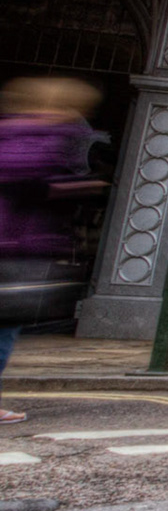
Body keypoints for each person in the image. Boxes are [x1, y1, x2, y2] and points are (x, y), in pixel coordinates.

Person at [0, 78, 100, 426]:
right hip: (14, 245)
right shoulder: (39, 134)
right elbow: (28, 180)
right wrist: (73, 186)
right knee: (5, 325)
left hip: (15, 243)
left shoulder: (11, 129)